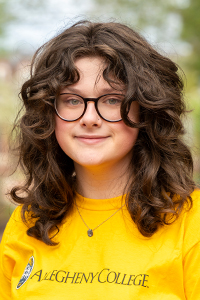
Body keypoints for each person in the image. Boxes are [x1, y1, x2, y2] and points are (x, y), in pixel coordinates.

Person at [0, 20, 199, 300]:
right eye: (71, 100)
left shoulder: (192, 222)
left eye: (112, 100)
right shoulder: (27, 223)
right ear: (48, 114)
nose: (89, 118)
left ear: (146, 109)